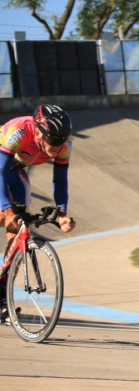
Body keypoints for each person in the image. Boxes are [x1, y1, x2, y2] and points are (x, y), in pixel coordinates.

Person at [0, 104, 76, 324]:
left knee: (18, 231)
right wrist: (6, 208)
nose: (56, 147)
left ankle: (2, 296)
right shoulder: (20, 131)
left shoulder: (64, 145)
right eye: (52, 141)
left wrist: (62, 213)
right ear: (39, 132)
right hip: (1, 165)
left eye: (60, 141)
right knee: (8, 215)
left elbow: (60, 181)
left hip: (15, 170)